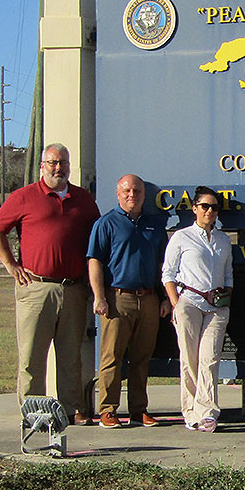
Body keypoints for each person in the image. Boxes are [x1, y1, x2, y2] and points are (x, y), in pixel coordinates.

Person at [0, 143, 100, 424]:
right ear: (42, 166)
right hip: (36, 288)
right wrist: (11, 265)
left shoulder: (83, 200)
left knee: (71, 355)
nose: (58, 168)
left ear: (69, 165)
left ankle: (72, 409)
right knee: (31, 356)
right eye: (52, 163)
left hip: (74, 289)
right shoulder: (24, 197)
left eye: (62, 162)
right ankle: (33, 411)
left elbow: (97, 242)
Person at [87, 174, 172, 429]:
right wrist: (100, 297)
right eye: (127, 190)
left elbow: (163, 265)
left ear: (144, 195)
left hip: (148, 299)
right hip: (117, 299)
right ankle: (108, 410)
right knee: (112, 357)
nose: (132, 195)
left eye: (137, 191)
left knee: (142, 358)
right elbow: (95, 261)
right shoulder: (106, 224)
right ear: (118, 192)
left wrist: (164, 297)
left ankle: (138, 410)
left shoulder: (154, 226)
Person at [161, 186, 233, 433]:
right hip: (188, 303)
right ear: (195, 209)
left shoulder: (223, 240)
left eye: (214, 207)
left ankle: (208, 413)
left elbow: (228, 273)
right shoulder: (181, 237)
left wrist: (226, 296)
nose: (210, 211)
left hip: (216, 308)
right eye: (205, 206)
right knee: (189, 359)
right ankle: (191, 412)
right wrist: (175, 304)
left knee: (209, 359)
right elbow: (168, 274)